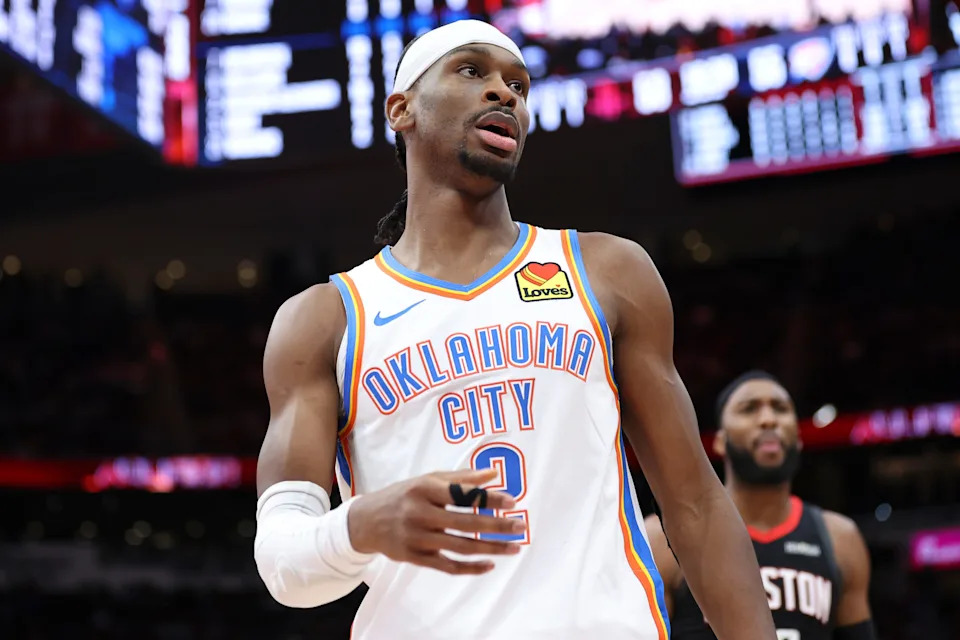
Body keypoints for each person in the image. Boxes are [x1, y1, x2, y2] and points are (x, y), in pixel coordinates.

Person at [253, 19, 776, 640]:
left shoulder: (605, 271)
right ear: (401, 110)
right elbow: (286, 566)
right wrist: (361, 525)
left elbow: (696, 505)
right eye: (472, 71)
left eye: (518, 84)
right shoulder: (326, 319)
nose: (505, 93)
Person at [644, 371, 876, 640]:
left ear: (798, 437)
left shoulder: (840, 538)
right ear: (720, 441)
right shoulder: (663, 538)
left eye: (780, 409)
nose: (768, 420)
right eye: (749, 409)